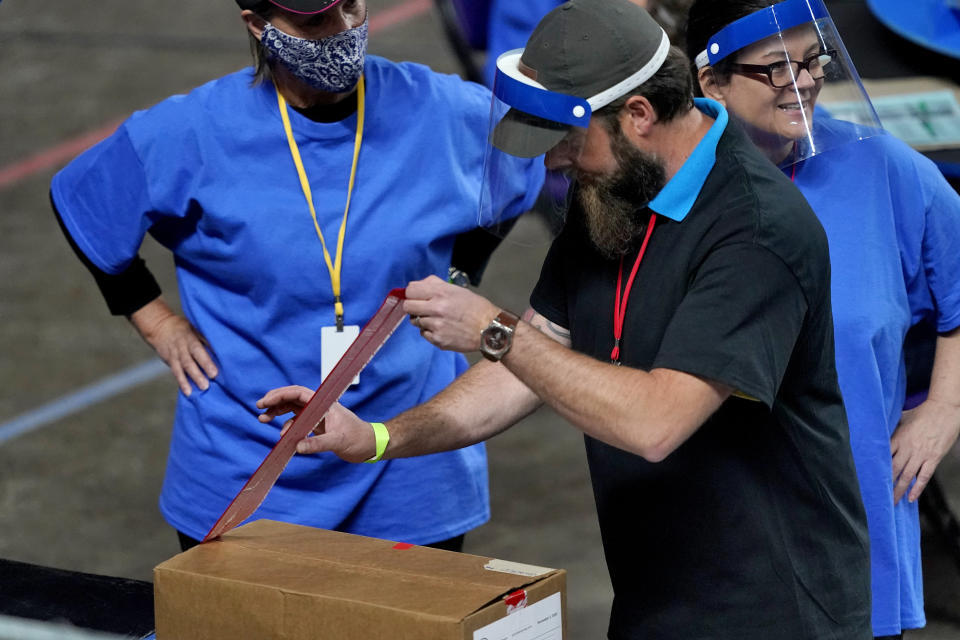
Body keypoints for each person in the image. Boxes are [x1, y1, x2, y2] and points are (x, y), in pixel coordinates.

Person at [258, 1, 873, 637]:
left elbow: (655, 423)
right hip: (658, 596)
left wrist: (495, 331)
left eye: (567, 139)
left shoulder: (755, 231)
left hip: (777, 611)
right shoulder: (614, 196)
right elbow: (526, 365)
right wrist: (380, 437)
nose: (553, 160)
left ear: (637, 116)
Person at [49, 0, 542, 551]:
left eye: (352, 6)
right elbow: (84, 201)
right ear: (258, 26)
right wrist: (155, 320)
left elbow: (523, 163)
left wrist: (463, 265)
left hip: (409, 471)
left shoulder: (445, 111)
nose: (344, 31)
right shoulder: (190, 132)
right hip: (247, 468)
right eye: (314, 22)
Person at [684, 1, 960, 636]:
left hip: (859, 523)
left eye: (812, 60)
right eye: (776, 68)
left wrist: (943, 408)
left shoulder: (881, 169)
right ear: (711, 81)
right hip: (724, 535)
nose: (803, 81)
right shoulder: (678, 193)